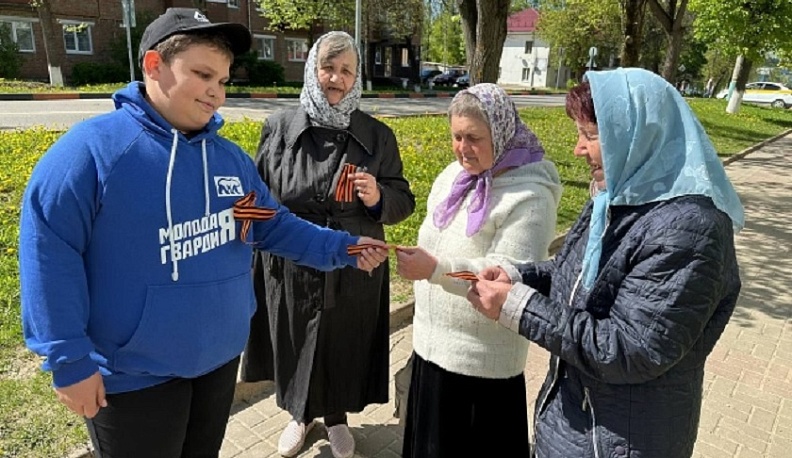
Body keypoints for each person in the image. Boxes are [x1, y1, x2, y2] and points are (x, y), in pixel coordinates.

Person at [18, 9, 387, 458]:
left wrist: (344, 247)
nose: (216, 91)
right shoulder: (91, 153)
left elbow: (272, 227)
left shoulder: (230, 160)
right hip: (134, 378)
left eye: (224, 80)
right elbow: (49, 256)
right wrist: (69, 360)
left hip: (217, 363)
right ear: (154, 65)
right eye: (202, 74)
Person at [469, 68, 744, 458]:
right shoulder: (619, 194)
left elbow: (628, 348)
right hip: (576, 422)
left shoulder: (690, 229)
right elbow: (577, 273)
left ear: (639, 135)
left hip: (621, 439)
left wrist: (518, 307)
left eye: (591, 135)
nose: (578, 149)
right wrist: (517, 276)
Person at [239, 31, 415, 458]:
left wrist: (378, 197)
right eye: (328, 68)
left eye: (346, 71)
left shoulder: (377, 135)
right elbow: (257, 194)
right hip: (290, 260)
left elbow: (403, 201)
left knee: (342, 342)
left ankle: (337, 418)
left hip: (354, 262)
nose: (336, 79)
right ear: (312, 71)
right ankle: (299, 416)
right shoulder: (279, 128)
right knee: (294, 340)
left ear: (356, 78)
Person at [395, 83, 562, 457]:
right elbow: (433, 240)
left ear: (500, 134)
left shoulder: (530, 197)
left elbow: (502, 275)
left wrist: (435, 269)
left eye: (473, 138)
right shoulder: (451, 177)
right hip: (431, 352)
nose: (462, 148)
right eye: (456, 136)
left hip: (480, 368)